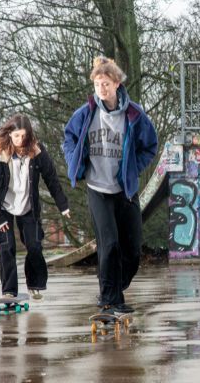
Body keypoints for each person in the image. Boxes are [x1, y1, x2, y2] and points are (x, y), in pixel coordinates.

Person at [63, 56, 158, 315]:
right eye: (97, 84)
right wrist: (75, 162)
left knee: (133, 248)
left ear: (117, 83)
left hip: (125, 189)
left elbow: (150, 145)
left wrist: (133, 168)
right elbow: (68, 139)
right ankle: (109, 299)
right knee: (109, 244)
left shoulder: (134, 115)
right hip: (97, 188)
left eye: (105, 84)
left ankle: (115, 289)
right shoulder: (85, 113)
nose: (101, 89)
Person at [0, 113, 70, 302]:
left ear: (29, 134)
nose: (20, 140)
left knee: (34, 245)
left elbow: (51, 179)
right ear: (9, 135)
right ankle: (9, 291)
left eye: (23, 135)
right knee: (7, 246)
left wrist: (63, 205)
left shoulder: (37, 152)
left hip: (28, 206)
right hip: (2, 208)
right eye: (16, 135)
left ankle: (34, 285)